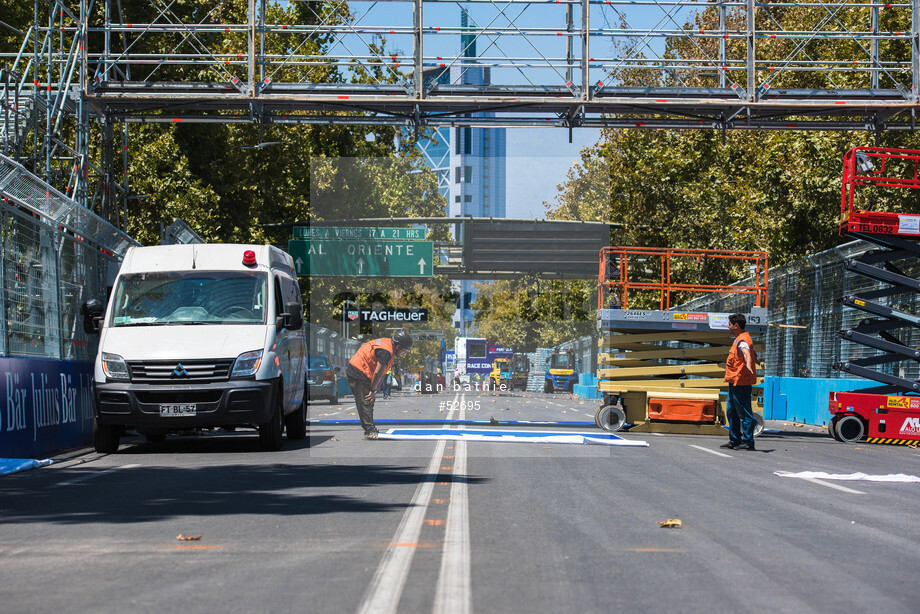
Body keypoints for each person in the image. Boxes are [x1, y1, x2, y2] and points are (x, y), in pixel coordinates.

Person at [346, 329, 413, 439]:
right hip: (358, 370)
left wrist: (375, 389)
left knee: (368, 400)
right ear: (398, 346)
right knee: (366, 400)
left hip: (363, 370)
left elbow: (381, 374)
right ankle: (369, 431)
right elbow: (377, 372)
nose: (404, 353)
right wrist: (372, 391)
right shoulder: (386, 352)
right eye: (404, 350)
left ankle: (369, 427)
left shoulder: (389, 349)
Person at [721, 313, 758, 451]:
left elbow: (747, 353)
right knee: (732, 411)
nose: (728, 327)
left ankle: (748, 441)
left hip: (741, 382)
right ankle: (735, 439)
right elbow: (752, 352)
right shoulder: (741, 338)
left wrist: (749, 364)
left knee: (744, 412)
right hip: (734, 381)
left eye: (730, 324)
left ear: (736, 326)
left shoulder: (742, 341)